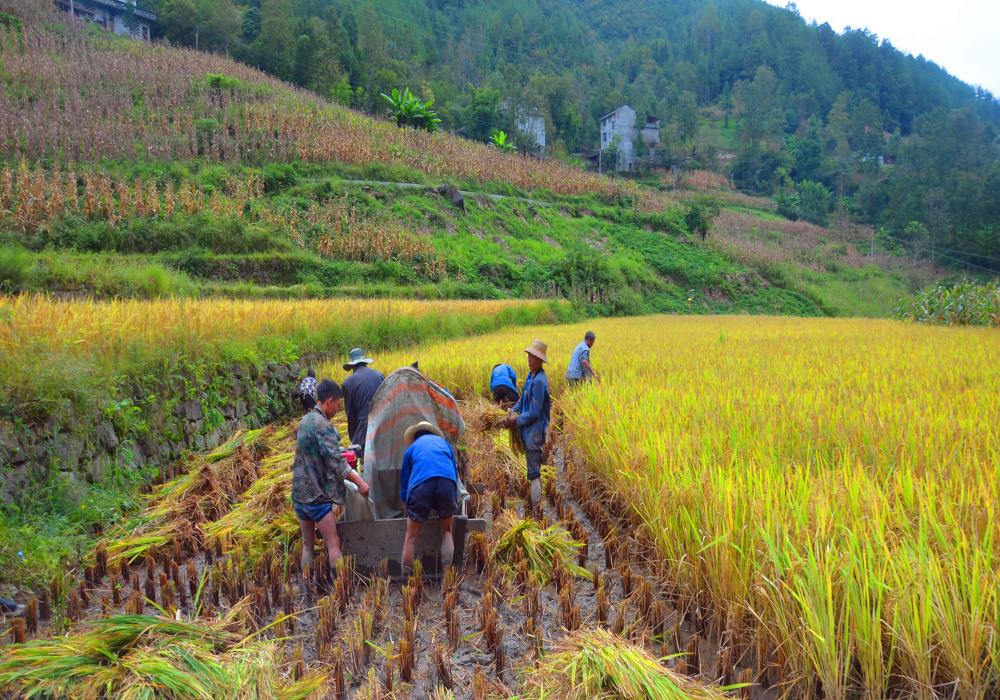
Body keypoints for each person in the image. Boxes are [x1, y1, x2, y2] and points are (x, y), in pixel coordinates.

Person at [292, 379, 369, 574]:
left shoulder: (305, 421)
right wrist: (360, 482)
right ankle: (339, 584)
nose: (338, 408)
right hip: (316, 497)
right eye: (337, 404)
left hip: (299, 496)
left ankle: (307, 584)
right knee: (333, 543)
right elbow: (337, 463)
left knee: (307, 545)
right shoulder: (322, 426)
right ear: (329, 401)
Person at [399, 420, 459, 574]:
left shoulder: (411, 449)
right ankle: (447, 577)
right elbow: (455, 474)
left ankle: (408, 581)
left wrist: (407, 514)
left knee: (410, 536)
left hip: (421, 485)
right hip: (447, 483)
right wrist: (453, 499)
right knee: (447, 531)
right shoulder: (445, 445)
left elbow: (405, 487)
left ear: (415, 436)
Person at [506, 339, 550, 507]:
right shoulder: (531, 376)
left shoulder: (539, 381)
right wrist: (512, 410)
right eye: (529, 357)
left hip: (535, 431)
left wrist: (516, 419)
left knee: (533, 472)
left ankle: (536, 507)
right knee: (533, 469)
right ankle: (536, 504)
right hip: (528, 430)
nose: (530, 360)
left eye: (534, 358)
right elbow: (522, 399)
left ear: (540, 361)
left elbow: (534, 412)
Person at [342, 348, 385, 454]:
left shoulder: (348, 383)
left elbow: (350, 414)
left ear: (352, 366)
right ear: (365, 362)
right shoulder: (379, 376)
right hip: (383, 426)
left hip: (364, 430)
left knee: (364, 459)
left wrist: (354, 438)